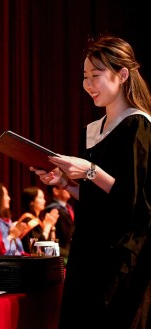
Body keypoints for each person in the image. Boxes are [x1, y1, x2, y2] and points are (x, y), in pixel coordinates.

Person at [31, 35, 151, 329]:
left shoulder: (138, 124)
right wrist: (66, 184)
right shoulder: (94, 130)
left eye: (95, 76)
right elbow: (98, 199)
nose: (88, 84)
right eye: (85, 76)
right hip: (88, 251)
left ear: (122, 75)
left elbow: (133, 201)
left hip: (119, 258)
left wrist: (89, 171)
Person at [17, 186, 59, 253]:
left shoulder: (39, 220)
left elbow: (51, 247)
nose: (44, 201)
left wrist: (52, 227)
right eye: (40, 198)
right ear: (31, 202)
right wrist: (48, 226)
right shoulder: (28, 220)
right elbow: (36, 248)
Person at [44, 185, 75, 266]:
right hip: (62, 251)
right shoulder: (53, 209)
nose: (69, 190)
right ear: (56, 191)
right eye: (65, 188)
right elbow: (65, 234)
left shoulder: (68, 208)